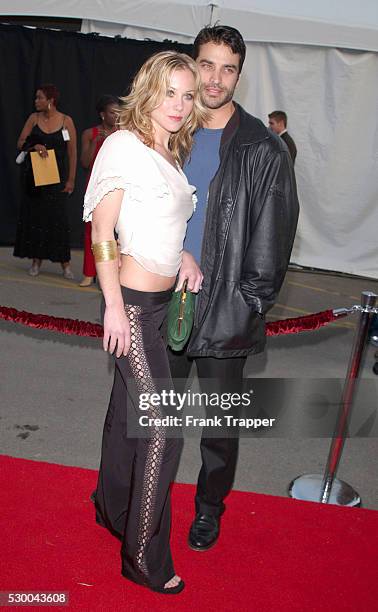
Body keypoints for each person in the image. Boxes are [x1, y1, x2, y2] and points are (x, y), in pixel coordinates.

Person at [167, 26, 299, 552]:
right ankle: (150, 497)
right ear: (192, 65)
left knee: (220, 428)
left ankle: (208, 509)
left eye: (227, 68)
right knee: (158, 415)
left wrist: (250, 303)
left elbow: (275, 238)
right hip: (164, 299)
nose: (214, 78)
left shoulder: (264, 149)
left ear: (239, 75)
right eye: (206, 64)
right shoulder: (169, 131)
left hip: (227, 310)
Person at [83, 51, 208, 594]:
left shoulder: (169, 150)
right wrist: (112, 305)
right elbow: (104, 232)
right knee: (164, 426)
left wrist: (182, 256)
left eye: (187, 94)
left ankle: (112, 508)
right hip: (130, 305)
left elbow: (154, 222)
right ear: (148, 91)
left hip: (158, 307)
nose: (179, 105)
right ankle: (142, 555)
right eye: (170, 92)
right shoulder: (124, 145)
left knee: (126, 416)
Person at [13, 84, 77, 278]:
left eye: (39, 98)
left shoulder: (66, 121)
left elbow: (72, 153)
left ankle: (65, 264)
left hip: (57, 179)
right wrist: (35, 145)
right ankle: (36, 261)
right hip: (35, 178)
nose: (36, 101)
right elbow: (20, 142)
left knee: (57, 220)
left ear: (50, 100)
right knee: (36, 218)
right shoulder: (34, 118)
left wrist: (71, 180)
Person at [79, 94, 120, 287]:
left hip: (118, 186)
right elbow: (85, 163)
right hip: (95, 186)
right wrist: (97, 143)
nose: (117, 116)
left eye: (119, 113)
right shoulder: (90, 133)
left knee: (118, 232)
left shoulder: (123, 133)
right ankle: (89, 272)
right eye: (113, 113)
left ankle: (115, 274)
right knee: (92, 230)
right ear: (103, 115)